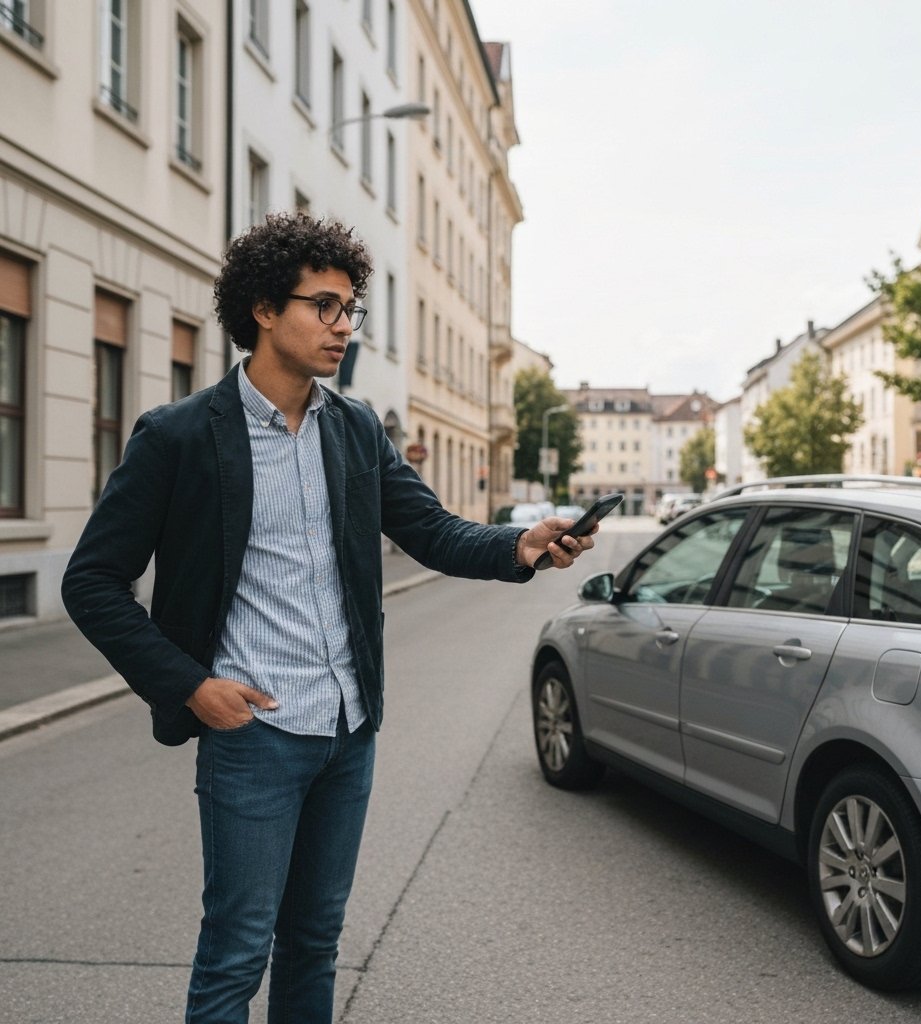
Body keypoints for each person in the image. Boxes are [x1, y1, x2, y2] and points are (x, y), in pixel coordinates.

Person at [61, 211, 597, 1024]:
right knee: (236, 952)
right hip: (254, 736)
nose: (343, 326)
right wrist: (190, 686)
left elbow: (431, 530)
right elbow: (93, 581)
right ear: (265, 310)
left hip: (348, 730)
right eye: (325, 305)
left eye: (351, 309)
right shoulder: (178, 437)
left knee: (314, 941)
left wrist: (521, 546)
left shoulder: (352, 429)